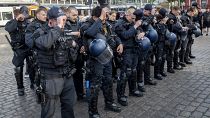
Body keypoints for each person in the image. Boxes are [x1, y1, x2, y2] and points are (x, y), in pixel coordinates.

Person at [32, 6, 76, 118]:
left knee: (69, 107)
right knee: (48, 112)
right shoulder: (40, 32)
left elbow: (70, 49)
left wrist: (75, 46)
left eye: (64, 19)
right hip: (50, 78)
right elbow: (46, 43)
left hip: (67, 75)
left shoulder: (64, 31)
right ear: (50, 20)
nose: (63, 22)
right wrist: (58, 28)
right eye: (60, 19)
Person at [80, 6, 121, 118]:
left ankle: (109, 103)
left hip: (106, 59)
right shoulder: (86, 25)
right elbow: (89, 34)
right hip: (94, 61)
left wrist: (118, 43)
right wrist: (99, 20)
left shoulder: (104, 24)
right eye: (104, 15)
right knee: (94, 86)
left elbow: (109, 37)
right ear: (96, 16)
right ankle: (92, 111)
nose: (105, 18)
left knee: (108, 81)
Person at [115, 7, 143, 107]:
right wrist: (135, 26)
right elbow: (125, 35)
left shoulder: (133, 23)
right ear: (127, 14)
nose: (134, 18)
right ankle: (121, 95)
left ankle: (133, 90)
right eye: (132, 16)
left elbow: (137, 32)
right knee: (125, 73)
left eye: (135, 17)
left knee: (133, 71)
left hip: (134, 49)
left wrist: (140, 34)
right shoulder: (119, 23)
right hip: (126, 51)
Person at [5, 7, 32, 96]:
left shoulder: (28, 22)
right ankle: (20, 88)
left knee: (32, 65)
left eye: (25, 14)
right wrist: (16, 20)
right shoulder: (12, 22)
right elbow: (9, 29)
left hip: (28, 47)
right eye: (22, 14)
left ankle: (33, 83)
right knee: (18, 68)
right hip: (19, 49)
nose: (23, 16)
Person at [65, 6, 85, 101]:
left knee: (79, 75)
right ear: (67, 13)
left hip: (78, 55)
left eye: (77, 15)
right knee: (68, 78)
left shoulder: (78, 23)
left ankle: (80, 95)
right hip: (67, 56)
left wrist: (82, 46)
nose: (75, 17)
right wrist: (73, 33)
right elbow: (61, 34)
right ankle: (68, 98)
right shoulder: (63, 23)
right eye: (73, 15)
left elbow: (81, 37)